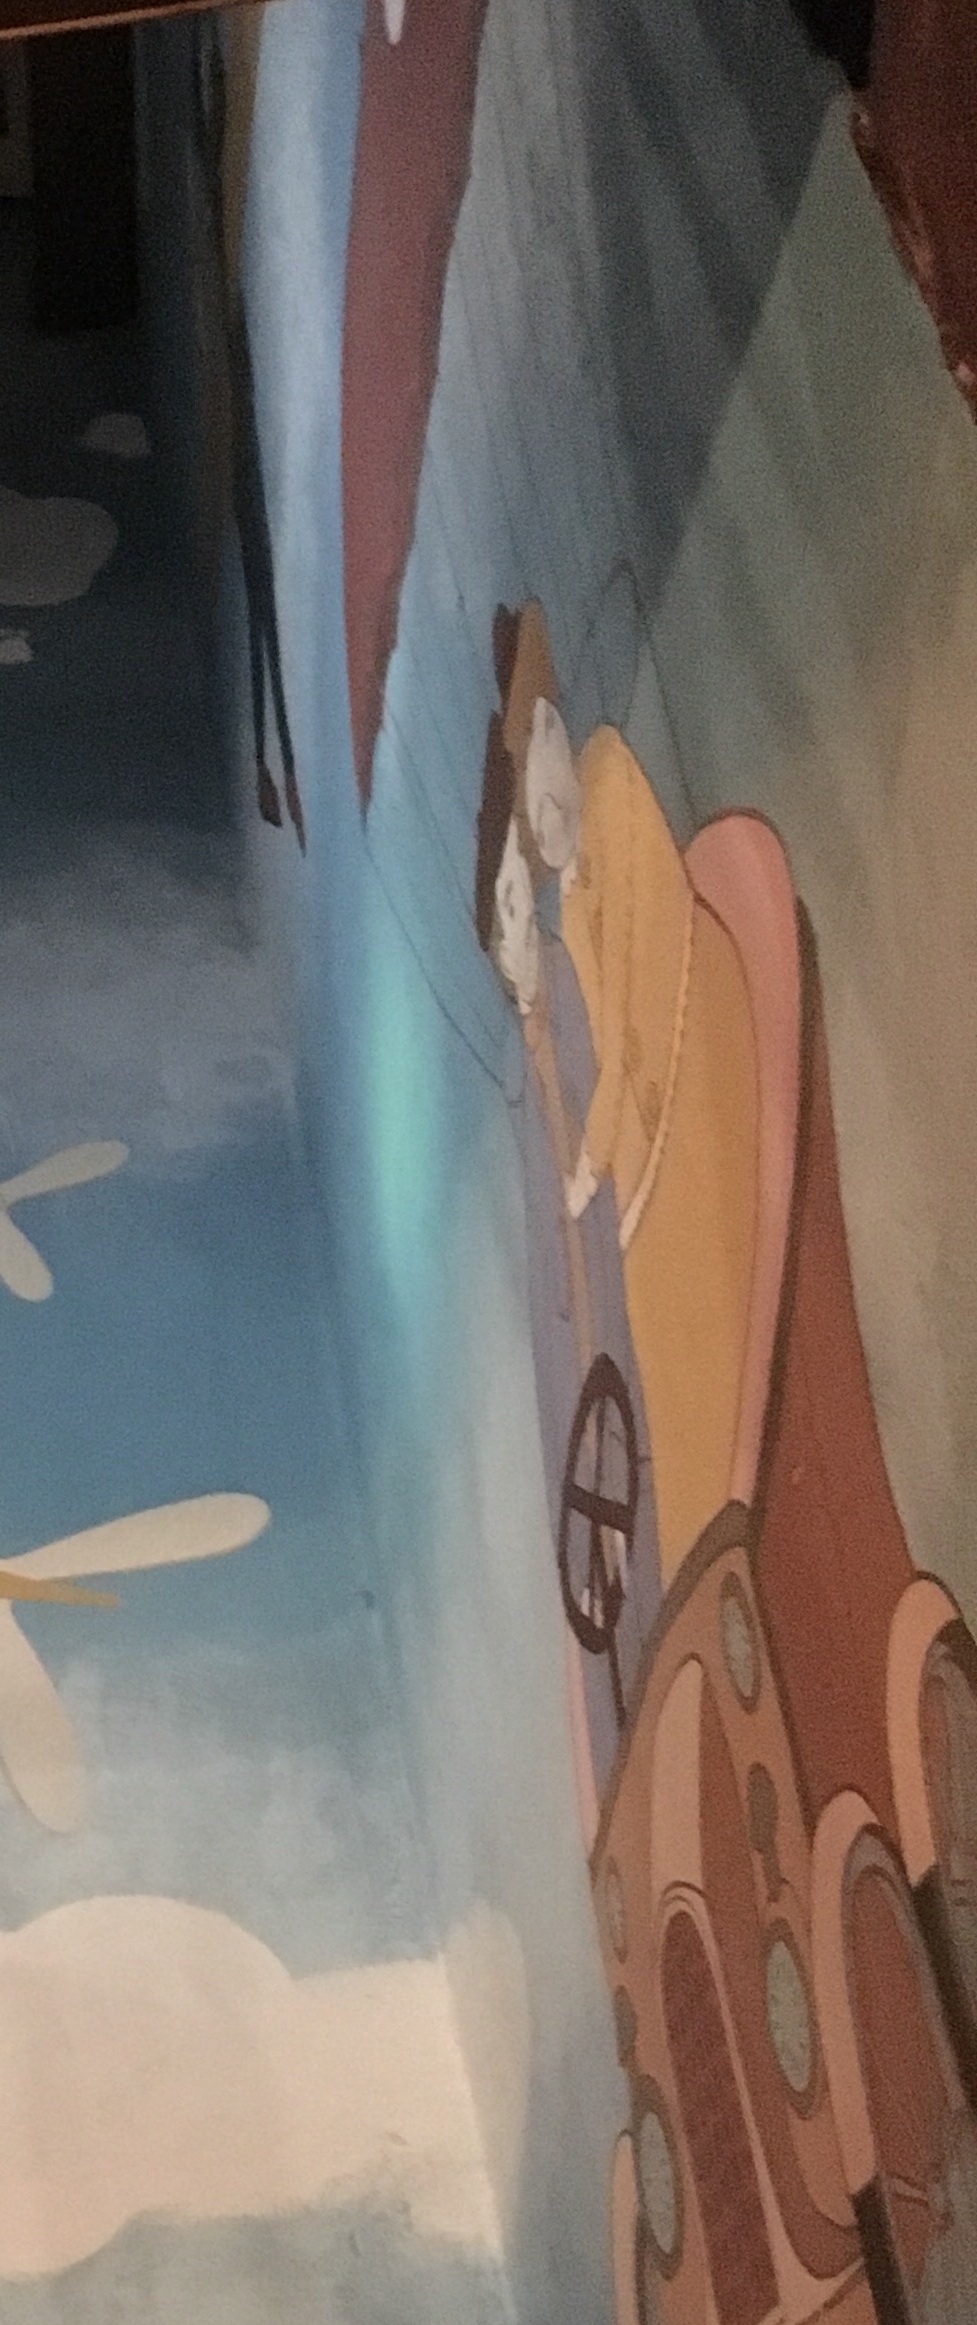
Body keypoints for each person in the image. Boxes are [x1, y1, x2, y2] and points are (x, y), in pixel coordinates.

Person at [494, 604, 759, 1567]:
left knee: (709, 1363)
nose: (542, 821)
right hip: (650, 1146)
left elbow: (646, 1008)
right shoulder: (571, 889)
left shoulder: (612, 797)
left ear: (553, 735)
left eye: (539, 774)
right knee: (668, 1360)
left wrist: (593, 1159)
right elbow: (608, 1039)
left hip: (685, 1108)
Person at [476, 709, 659, 1805]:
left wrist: (590, 1171)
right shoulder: (538, 1016)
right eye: (506, 909)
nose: (518, 926)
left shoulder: (577, 954)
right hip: (587, 1299)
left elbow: (620, 1077)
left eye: (519, 898)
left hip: (615, 1267)